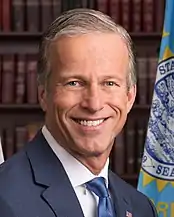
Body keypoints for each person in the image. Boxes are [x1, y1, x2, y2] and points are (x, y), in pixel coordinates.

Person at [0, 8, 157, 217]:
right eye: (74, 83)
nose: (94, 104)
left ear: (129, 96)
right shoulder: (5, 198)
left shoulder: (141, 208)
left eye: (109, 83)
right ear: (43, 94)